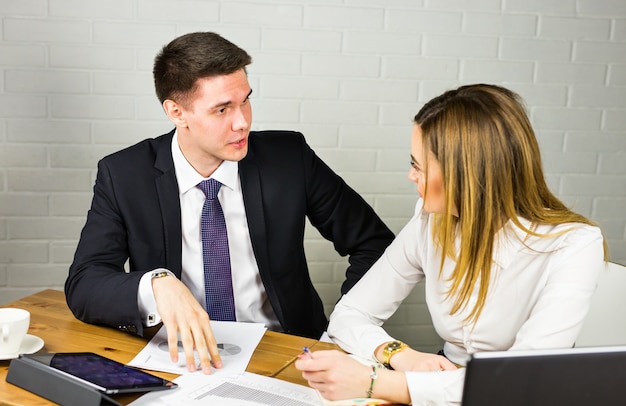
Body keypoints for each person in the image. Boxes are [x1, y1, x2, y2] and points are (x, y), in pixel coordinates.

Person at [65, 32, 394, 375]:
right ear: (177, 112)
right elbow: (85, 283)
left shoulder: (289, 159)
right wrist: (156, 283)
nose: (242, 122)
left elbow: (375, 245)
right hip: (180, 358)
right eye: (222, 109)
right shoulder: (124, 175)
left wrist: (345, 326)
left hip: (286, 350)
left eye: (245, 101)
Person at [295, 84, 607, 405]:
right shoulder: (431, 220)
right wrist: (400, 355)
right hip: (439, 386)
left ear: (465, 173)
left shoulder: (574, 245)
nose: (410, 176)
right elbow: (350, 313)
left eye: (418, 165)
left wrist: (376, 382)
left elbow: (518, 380)